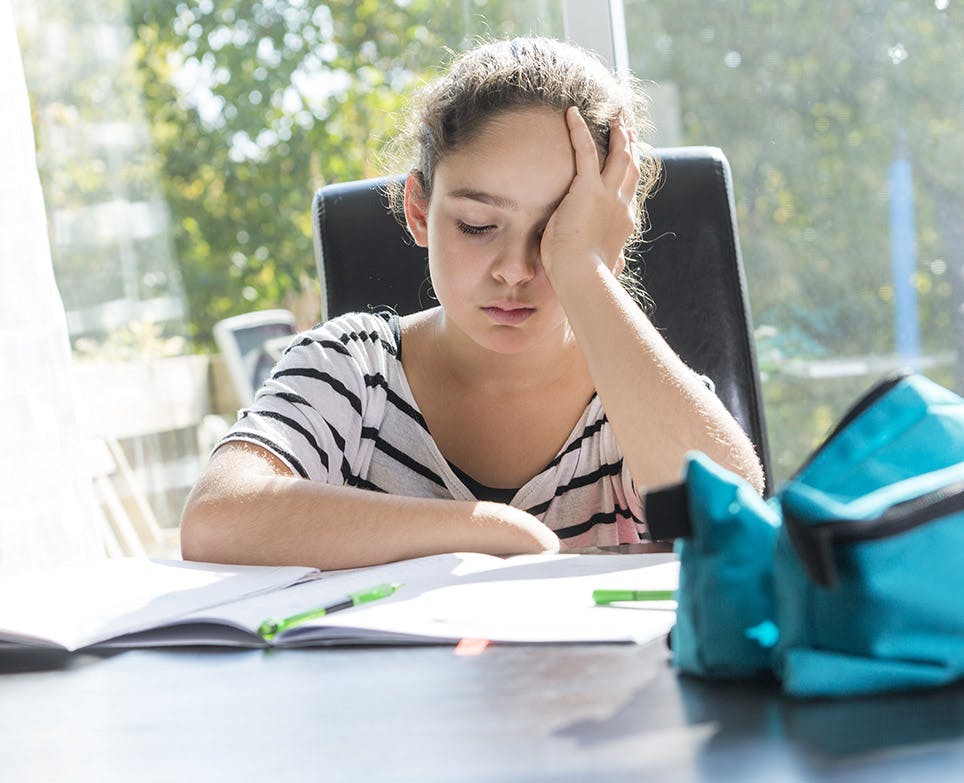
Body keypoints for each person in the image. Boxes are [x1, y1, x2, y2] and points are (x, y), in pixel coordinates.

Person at [180, 37, 765, 570]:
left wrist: (585, 269)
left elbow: (733, 511)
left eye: (556, 231)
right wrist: (486, 529)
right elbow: (216, 517)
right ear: (418, 212)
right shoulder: (352, 371)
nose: (515, 269)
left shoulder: (634, 392)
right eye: (479, 225)